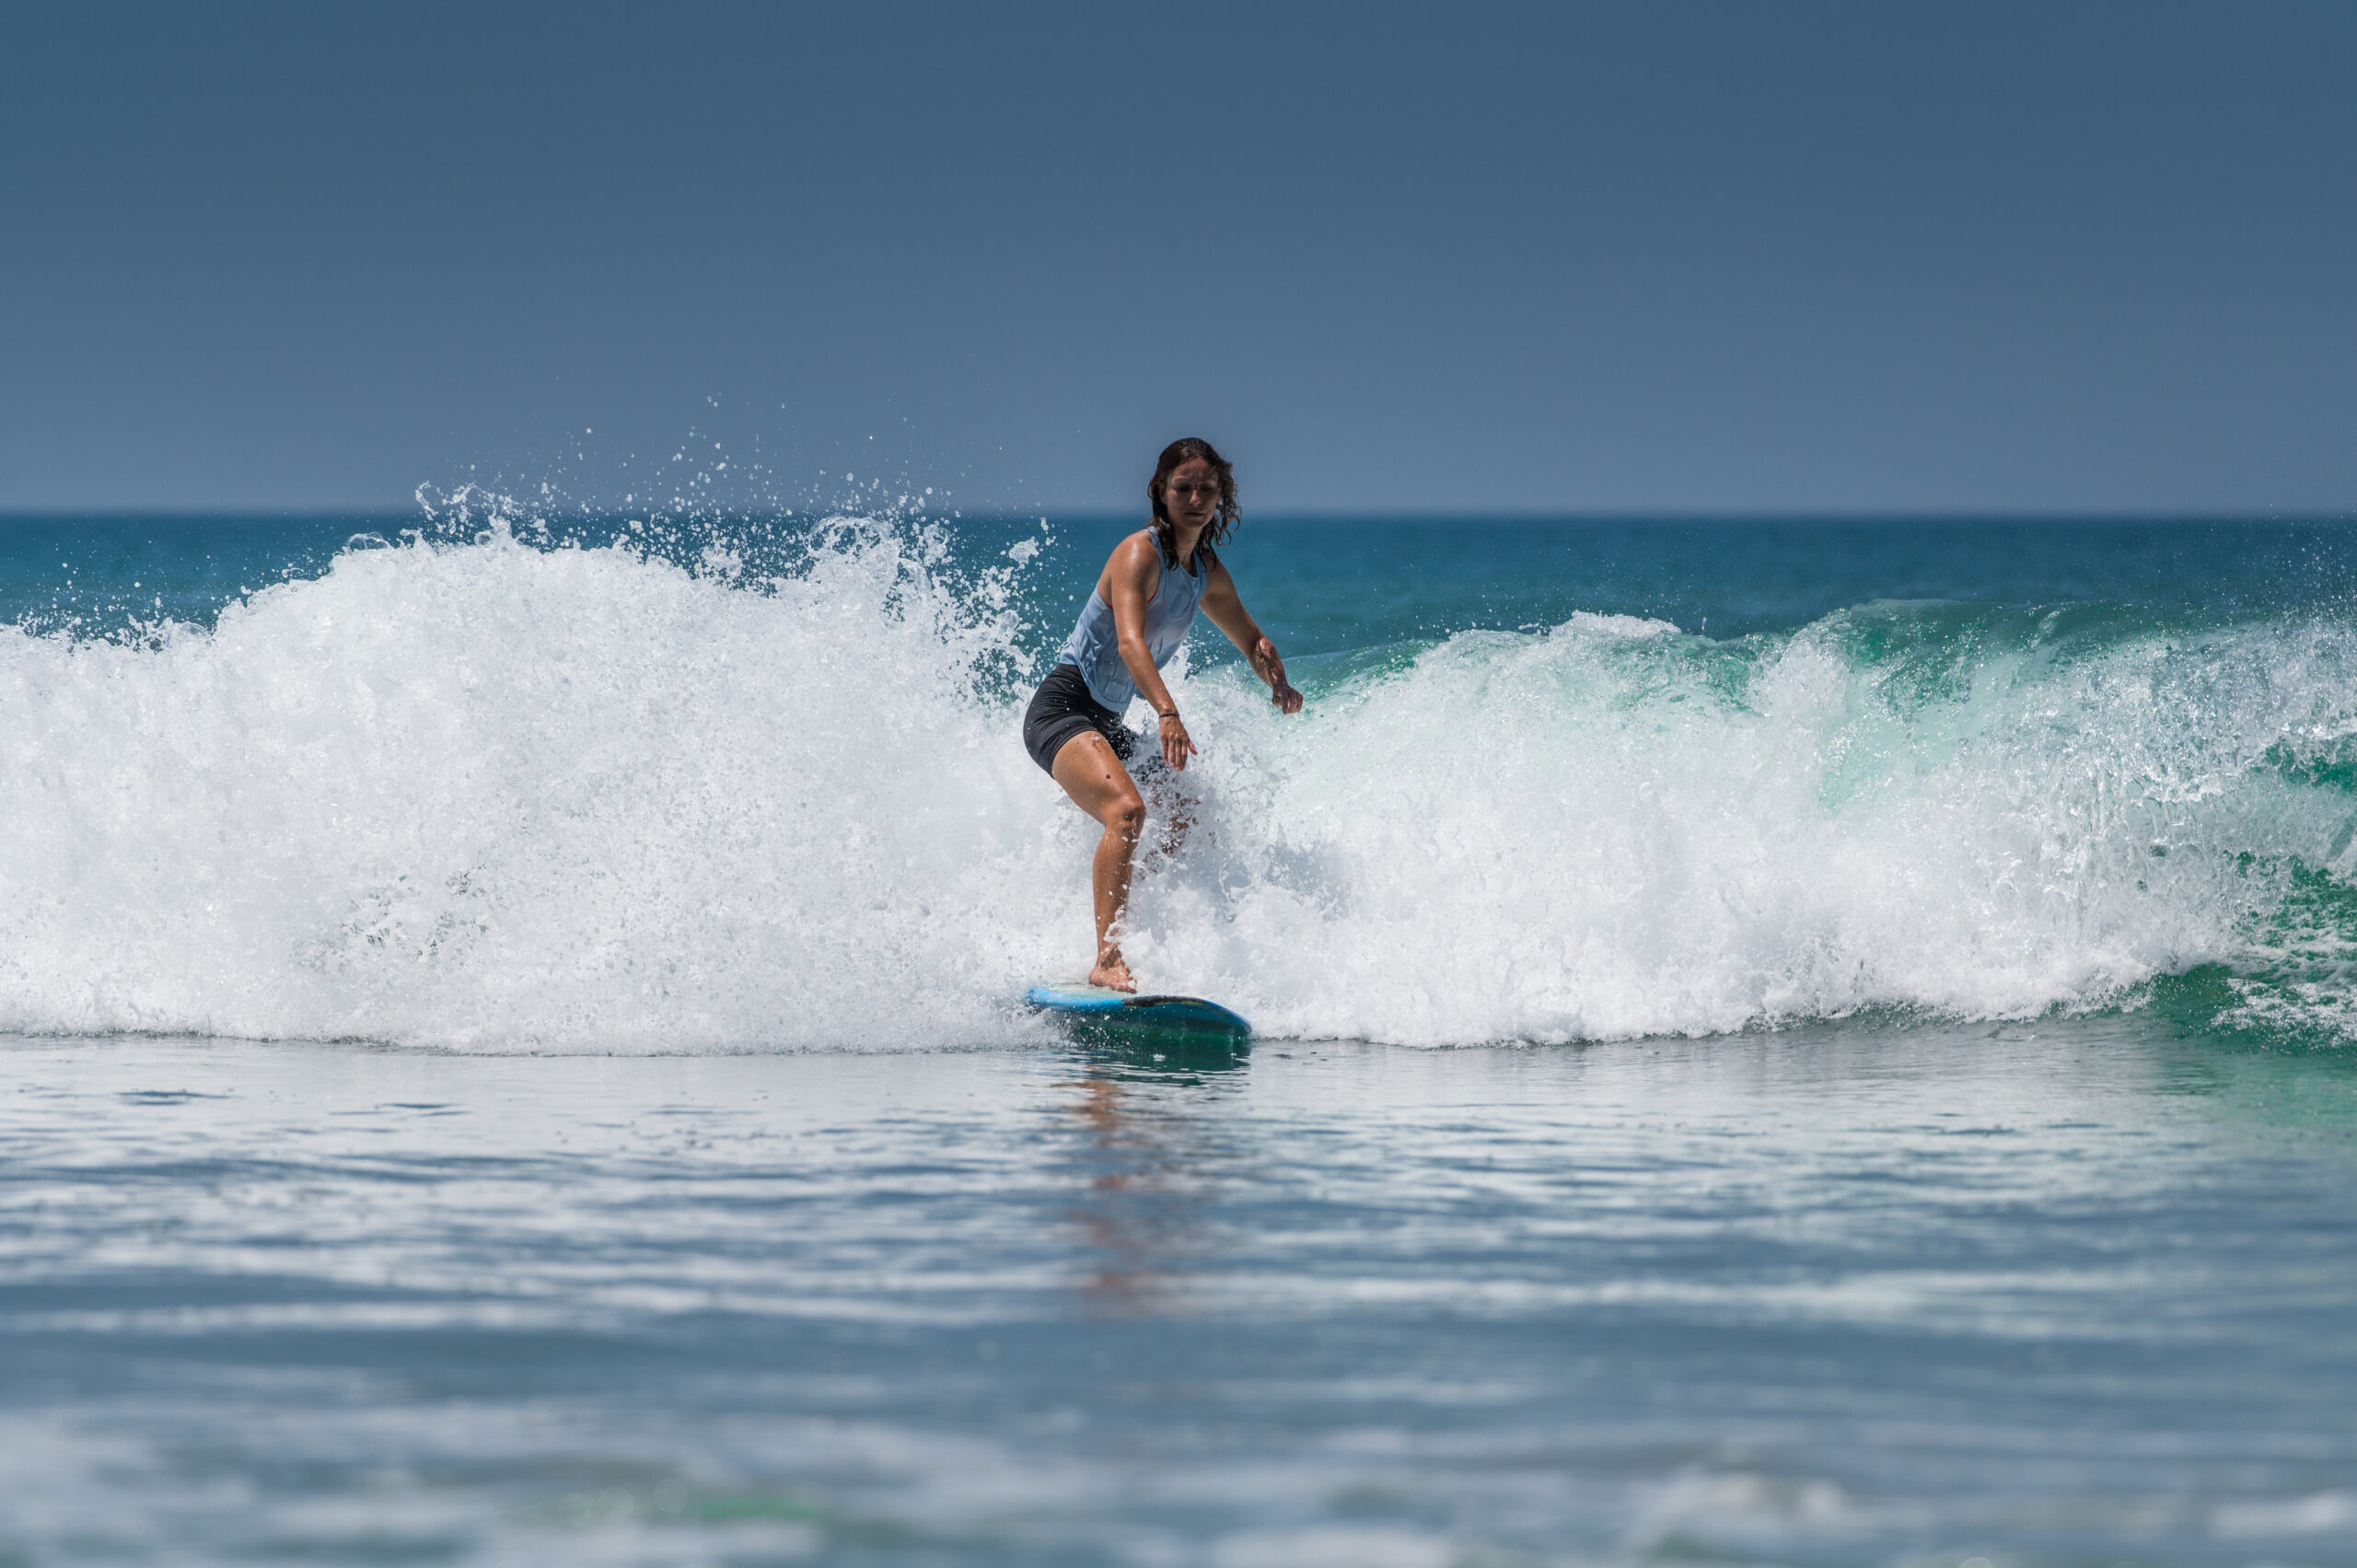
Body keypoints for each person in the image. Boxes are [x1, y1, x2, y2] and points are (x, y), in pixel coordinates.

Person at [1021, 437, 1304, 991]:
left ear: (1221, 497)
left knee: (1188, 814)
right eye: (1183, 487)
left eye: (1207, 488)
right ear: (1161, 492)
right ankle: (1105, 958)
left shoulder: (1203, 570)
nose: (1195, 497)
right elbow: (1130, 643)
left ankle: (1129, 912)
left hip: (1103, 720)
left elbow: (1250, 639)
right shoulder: (1139, 554)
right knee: (1127, 812)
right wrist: (1167, 713)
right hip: (1062, 709)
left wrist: (1277, 676)